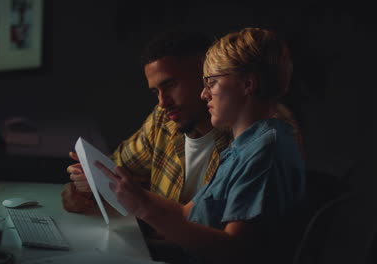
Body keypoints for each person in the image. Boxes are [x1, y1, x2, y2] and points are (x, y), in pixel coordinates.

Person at [95, 27, 306, 264]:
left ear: (248, 84)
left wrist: (145, 208)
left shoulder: (266, 150)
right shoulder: (241, 148)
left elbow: (237, 252)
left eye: (212, 83)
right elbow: (187, 214)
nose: (204, 94)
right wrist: (134, 196)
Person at [61, 30, 303, 216]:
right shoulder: (163, 118)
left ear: (205, 73)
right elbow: (116, 173)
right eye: (155, 91)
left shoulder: (258, 130)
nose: (163, 102)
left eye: (170, 85)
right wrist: (87, 187)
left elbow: (237, 245)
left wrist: (142, 203)